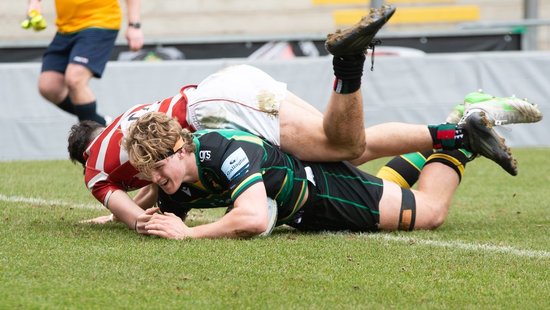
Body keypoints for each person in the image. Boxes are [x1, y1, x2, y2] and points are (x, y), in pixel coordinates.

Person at [67, 6, 539, 231]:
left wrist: (182, 231)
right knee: (356, 146)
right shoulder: (146, 139)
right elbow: (154, 193)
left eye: (153, 172)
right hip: (220, 95)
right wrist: (138, 213)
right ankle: (459, 126)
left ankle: (448, 129)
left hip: (227, 110)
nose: (148, 182)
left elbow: (245, 215)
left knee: (410, 197)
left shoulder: (112, 165)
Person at [123, 111, 516, 239]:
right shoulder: (175, 181)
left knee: (428, 213)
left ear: (181, 149)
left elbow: (254, 217)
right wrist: (114, 212)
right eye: (148, 173)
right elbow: (158, 206)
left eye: (159, 168)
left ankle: (462, 142)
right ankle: (453, 133)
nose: (156, 179)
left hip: (324, 191)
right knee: (383, 181)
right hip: (305, 202)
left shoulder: (224, 152)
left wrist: (188, 233)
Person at [25, 0, 144, 125]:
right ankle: (102, 124)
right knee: (49, 86)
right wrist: (34, 3)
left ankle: (91, 139)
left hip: (100, 22)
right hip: (66, 28)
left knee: (75, 78)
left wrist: (134, 25)